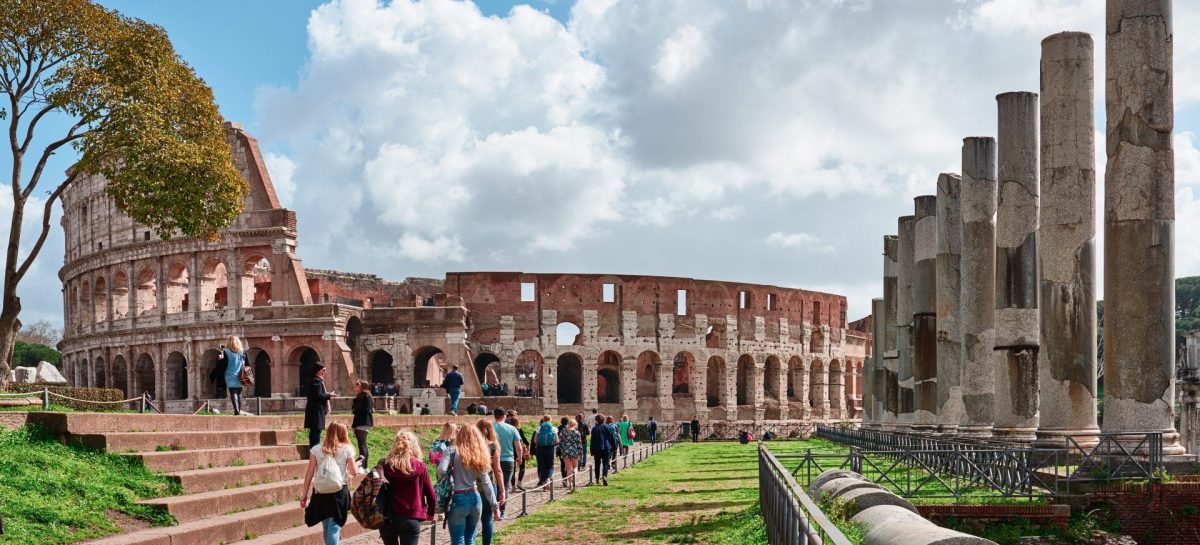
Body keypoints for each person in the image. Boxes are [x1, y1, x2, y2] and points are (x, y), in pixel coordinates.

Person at [301, 422, 362, 545]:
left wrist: (305, 495)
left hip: (321, 491)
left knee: (326, 525)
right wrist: (358, 465)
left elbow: (309, 474)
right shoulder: (347, 449)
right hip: (339, 492)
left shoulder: (316, 449)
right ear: (343, 433)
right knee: (334, 527)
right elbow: (354, 472)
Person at [437, 424, 499, 545]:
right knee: (470, 538)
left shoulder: (451, 450)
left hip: (457, 498)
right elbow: (486, 482)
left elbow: (441, 470)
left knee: (458, 540)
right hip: (475, 498)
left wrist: (450, 477)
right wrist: (495, 506)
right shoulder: (478, 454)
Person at [379, 430, 435, 545]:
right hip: (411, 516)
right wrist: (430, 512)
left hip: (389, 516)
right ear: (413, 446)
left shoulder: (385, 465)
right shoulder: (420, 466)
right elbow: (430, 494)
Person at [475, 419, 506, 545]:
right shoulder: (492, 446)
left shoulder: (471, 446)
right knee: (487, 519)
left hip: (472, 486)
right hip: (488, 485)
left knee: (472, 521)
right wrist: (502, 490)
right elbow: (498, 470)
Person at [492, 407, 521, 515]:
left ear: (494, 416)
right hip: (508, 459)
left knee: (493, 484)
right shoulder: (512, 428)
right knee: (505, 485)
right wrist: (520, 457)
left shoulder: (490, 428)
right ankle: (502, 510)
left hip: (492, 459)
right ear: (504, 416)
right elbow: (518, 446)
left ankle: (494, 509)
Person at [305, 364, 334, 448]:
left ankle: (314, 451)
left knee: (315, 431)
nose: (325, 372)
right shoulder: (316, 381)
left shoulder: (314, 380)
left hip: (315, 410)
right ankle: (314, 452)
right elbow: (318, 396)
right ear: (318, 370)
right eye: (324, 370)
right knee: (316, 431)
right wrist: (329, 395)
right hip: (316, 410)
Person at [220, 337, 246, 415]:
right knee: (238, 395)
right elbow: (248, 364)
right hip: (241, 376)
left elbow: (223, 365)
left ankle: (236, 411)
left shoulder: (226, 352)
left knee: (233, 393)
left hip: (230, 376)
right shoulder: (243, 352)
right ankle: (238, 410)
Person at [351, 380, 374, 470]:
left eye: (357, 384)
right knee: (362, 444)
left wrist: (355, 409)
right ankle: (365, 466)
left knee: (362, 445)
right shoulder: (360, 396)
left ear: (362, 386)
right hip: (360, 421)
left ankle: (362, 465)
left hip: (363, 421)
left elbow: (367, 410)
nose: (355, 386)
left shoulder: (366, 396)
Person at [506, 411, 530, 490]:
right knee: (522, 467)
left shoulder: (507, 430)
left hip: (510, 450)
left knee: (512, 469)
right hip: (519, 449)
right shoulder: (519, 430)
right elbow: (524, 440)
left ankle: (513, 486)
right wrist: (527, 447)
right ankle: (519, 482)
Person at [532, 415, 558, 486]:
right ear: (550, 420)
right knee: (550, 465)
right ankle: (548, 478)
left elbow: (535, 440)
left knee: (542, 464)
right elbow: (557, 441)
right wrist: (553, 444)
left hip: (540, 448)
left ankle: (543, 481)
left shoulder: (539, 427)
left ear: (543, 420)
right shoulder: (553, 428)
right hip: (550, 448)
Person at [589, 414, 613, 486]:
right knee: (605, 463)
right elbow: (611, 438)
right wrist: (614, 447)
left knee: (597, 464)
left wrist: (591, 450)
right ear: (603, 420)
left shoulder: (594, 429)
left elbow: (592, 440)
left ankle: (597, 479)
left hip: (597, 448)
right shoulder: (607, 427)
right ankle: (604, 477)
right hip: (606, 448)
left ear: (596, 420)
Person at [559, 418, 583, 490]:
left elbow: (560, 442)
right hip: (574, 451)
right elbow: (579, 443)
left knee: (568, 468)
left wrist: (562, 450)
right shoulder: (577, 432)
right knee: (575, 467)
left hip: (565, 451)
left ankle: (570, 484)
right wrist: (581, 452)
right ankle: (574, 479)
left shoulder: (563, 431)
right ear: (575, 424)